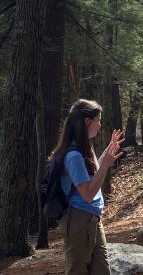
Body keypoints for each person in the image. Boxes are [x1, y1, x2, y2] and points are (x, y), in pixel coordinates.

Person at [50, 99, 124, 274]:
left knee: (102, 271)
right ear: (87, 122)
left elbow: (91, 176)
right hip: (78, 220)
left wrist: (108, 151)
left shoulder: (84, 148)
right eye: (98, 120)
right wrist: (106, 165)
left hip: (93, 220)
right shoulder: (74, 155)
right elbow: (88, 194)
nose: (100, 125)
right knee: (77, 270)